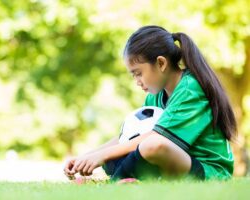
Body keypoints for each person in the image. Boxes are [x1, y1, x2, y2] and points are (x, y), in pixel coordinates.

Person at [64, 25, 237, 181]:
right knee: (116, 155)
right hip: (176, 164)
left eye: (138, 73)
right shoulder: (155, 94)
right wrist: (87, 156)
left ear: (161, 63)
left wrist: (102, 155)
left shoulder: (191, 89)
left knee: (154, 145)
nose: (137, 81)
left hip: (208, 171)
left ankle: (115, 181)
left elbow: (156, 139)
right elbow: (128, 137)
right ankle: (127, 178)